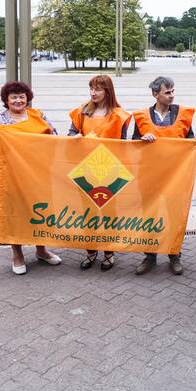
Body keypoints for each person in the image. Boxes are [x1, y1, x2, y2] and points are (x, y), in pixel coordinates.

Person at [0, 81, 63, 275]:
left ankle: (41, 250)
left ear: (28, 98)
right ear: (6, 100)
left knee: (38, 211)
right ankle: (17, 254)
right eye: (13, 97)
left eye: (21, 96)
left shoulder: (38, 117)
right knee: (14, 213)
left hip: (37, 175)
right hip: (9, 179)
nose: (18, 100)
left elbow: (55, 139)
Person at [131, 75, 196, 275]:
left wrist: (195, 144)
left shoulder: (182, 115)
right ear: (156, 95)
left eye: (173, 91)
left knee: (173, 216)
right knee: (149, 216)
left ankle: (174, 254)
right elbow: (134, 144)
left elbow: (189, 139)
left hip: (175, 178)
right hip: (149, 177)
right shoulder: (142, 117)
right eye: (167, 92)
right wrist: (141, 139)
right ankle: (150, 255)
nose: (172, 96)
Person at [67, 74, 132, 271]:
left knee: (109, 213)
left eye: (97, 89)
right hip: (85, 170)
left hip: (110, 171)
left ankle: (109, 251)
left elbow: (123, 144)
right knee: (88, 212)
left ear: (107, 91)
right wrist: (76, 136)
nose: (93, 93)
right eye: (91, 88)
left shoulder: (119, 115)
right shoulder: (81, 112)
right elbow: (70, 134)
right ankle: (90, 250)